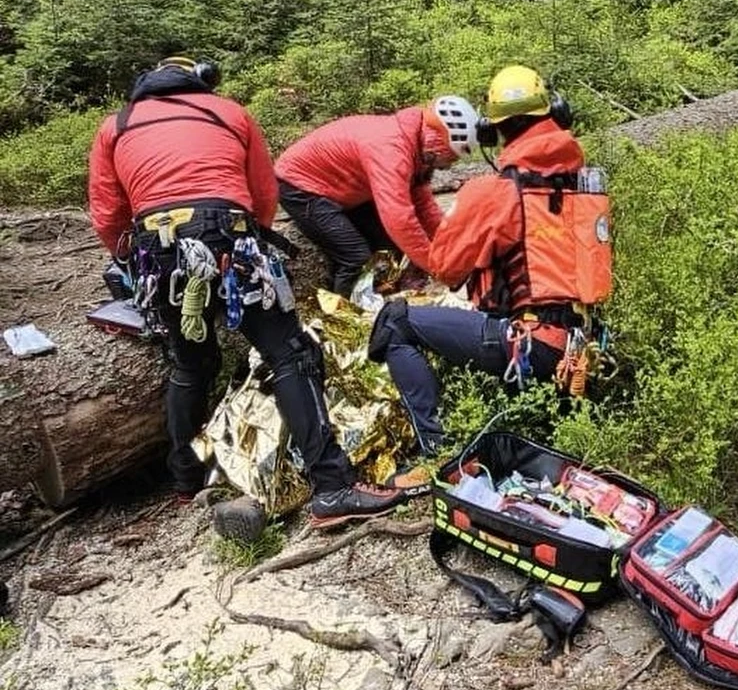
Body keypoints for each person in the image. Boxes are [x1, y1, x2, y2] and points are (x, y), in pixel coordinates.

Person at [87, 56, 415, 528]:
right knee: (291, 354)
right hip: (231, 235)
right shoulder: (230, 112)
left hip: (159, 248)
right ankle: (332, 487)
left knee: (190, 364)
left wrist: (131, 261)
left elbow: (107, 214)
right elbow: (263, 193)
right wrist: (245, 238)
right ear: (199, 81)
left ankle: (185, 480)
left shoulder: (116, 125)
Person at [369, 65, 613, 454]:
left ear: (491, 130)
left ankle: (437, 452)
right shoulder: (581, 184)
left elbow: (446, 267)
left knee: (395, 322)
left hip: (528, 346)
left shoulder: (494, 191)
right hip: (579, 348)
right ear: (555, 113)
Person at [274, 97, 480, 297]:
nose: (447, 166)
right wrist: (438, 268)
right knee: (356, 257)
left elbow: (424, 206)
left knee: (388, 243)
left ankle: (390, 294)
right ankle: (346, 313)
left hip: (345, 185)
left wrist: (458, 249)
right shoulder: (391, 151)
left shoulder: (416, 143)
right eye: (447, 158)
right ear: (436, 141)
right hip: (301, 186)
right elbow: (400, 220)